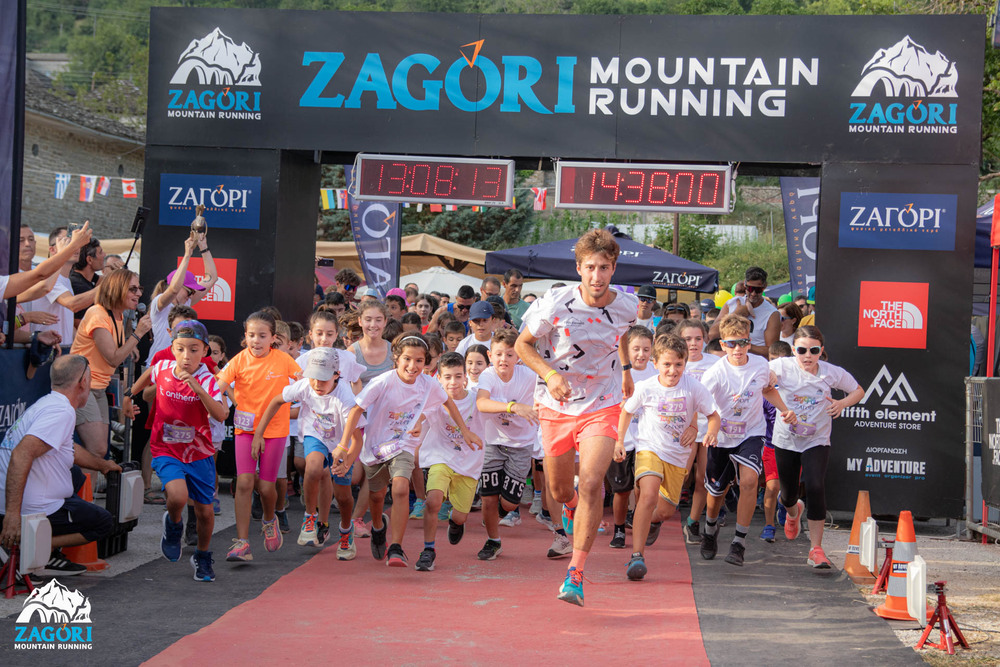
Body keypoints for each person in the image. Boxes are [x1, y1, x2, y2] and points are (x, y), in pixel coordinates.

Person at [515, 228, 638, 606]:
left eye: (604, 268)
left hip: (602, 403)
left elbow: (619, 333)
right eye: (590, 268)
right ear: (579, 269)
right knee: (560, 491)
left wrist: (628, 368)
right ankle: (569, 508)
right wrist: (550, 376)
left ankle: (576, 573)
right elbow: (523, 345)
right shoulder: (554, 303)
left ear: (613, 268)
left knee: (591, 481)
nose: (597, 276)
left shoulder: (627, 306)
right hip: (556, 406)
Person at [338, 333, 482, 568]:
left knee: (401, 487)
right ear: (396, 359)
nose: (412, 366)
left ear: (426, 363)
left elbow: (447, 402)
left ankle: (396, 547)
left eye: (419, 361)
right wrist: (344, 445)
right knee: (376, 495)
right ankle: (377, 527)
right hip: (375, 448)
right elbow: (355, 410)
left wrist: (465, 432)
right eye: (407, 359)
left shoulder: (429, 384)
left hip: (403, 444)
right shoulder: (383, 382)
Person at [0, 355, 120, 576]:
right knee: (103, 523)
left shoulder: (49, 402)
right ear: (83, 382)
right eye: (91, 378)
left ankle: (40, 550)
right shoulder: (60, 411)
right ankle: (28, 550)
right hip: (25, 510)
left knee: (74, 475)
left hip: (17, 500)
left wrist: (102, 465)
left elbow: (68, 449)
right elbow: (21, 454)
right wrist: (12, 515)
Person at [616, 335, 720, 580]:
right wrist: (619, 441)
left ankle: (652, 522)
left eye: (678, 364)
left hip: (677, 456)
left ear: (685, 363)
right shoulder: (647, 387)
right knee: (648, 494)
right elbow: (626, 412)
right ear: (655, 363)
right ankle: (636, 556)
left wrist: (709, 431)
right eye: (667, 364)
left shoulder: (693, 386)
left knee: (664, 511)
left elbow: (713, 415)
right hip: (649, 448)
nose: (673, 370)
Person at [128, 321, 226, 580]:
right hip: (166, 448)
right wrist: (128, 397)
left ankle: (202, 556)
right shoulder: (162, 367)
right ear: (172, 349)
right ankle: (173, 525)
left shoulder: (208, 379)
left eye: (194, 350)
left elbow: (221, 413)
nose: (186, 356)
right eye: (180, 349)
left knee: (205, 512)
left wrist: (197, 388)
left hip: (199, 454)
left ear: (204, 351)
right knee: (178, 497)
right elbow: (145, 378)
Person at [698, 314, 794, 567]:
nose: (737, 349)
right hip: (722, 435)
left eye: (742, 343)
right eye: (731, 344)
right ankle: (709, 529)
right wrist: (708, 429)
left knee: (750, 481)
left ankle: (739, 542)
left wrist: (784, 409)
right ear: (722, 345)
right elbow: (702, 404)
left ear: (750, 343)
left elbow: (767, 389)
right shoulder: (715, 373)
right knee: (717, 491)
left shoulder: (761, 365)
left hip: (752, 432)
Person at [769, 326, 864, 568]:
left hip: (817, 438)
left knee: (815, 485)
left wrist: (842, 403)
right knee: (788, 495)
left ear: (821, 351)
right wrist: (784, 410)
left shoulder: (831, 373)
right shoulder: (781, 367)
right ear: (793, 351)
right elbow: (765, 387)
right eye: (801, 350)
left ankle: (816, 549)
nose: (807, 356)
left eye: (813, 350)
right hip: (787, 438)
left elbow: (858, 391)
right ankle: (793, 512)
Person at [256, 347, 364, 557]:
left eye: (323, 379)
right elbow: (276, 401)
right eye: (313, 378)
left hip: (343, 444)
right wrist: (259, 433)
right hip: (315, 436)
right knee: (312, 468)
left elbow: (356, 440)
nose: (317, 384)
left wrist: (348, 461)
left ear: (336, 375)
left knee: (343, 496)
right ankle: (309, 519)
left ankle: (345, 531)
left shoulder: (346, 398)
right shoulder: (305, 386)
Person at [216, 311, 301, 562]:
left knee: (266, 487)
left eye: (262, 336)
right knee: (243, 483)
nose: (256, 340)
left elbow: (303, 382)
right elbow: (219, 385)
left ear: (273, 338)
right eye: (251, 335)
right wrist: (227, 399)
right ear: (245, 336)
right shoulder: (239, 360)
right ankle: (242, 543)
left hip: (274, 431)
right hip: (245, 429)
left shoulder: (283, 360)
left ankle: (268, 519)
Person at [70, 268, 152, 464]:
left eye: (139, 288)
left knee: (98, 451)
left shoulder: (118, 316)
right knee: (97, 448)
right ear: (117, 289)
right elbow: (113, 359)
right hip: (81, 387)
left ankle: (85, 495)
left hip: (99, 387)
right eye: (133, 289)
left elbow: (117, 357)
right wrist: (137, 335)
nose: (139, 294)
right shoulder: (97, 313)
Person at [415, 352, 486, 571]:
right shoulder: (435, 400)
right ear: (439, 378)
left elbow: (495, 407)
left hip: (469, 463)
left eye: (457, 376)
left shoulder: (476, 399)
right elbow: (422, 414)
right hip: (441, 457)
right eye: (447, 377)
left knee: (460, 516)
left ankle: (456, 523)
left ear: (466, 377)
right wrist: (416, 425)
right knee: (433, 501)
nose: (452, 382)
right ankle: (428, 550)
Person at [474, 329, 538, 559]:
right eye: (499, 354)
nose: (504, 359)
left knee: (510, 504)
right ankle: (493, 540)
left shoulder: (529, 376)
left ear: (518, 357)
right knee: (488, 497)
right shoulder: (488, 375)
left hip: (521, 444)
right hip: (492, 441)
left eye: (509, 355)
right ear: (490, 356)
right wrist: (513, 407)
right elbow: (482, 403)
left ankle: (499, 509)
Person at [607, 325, 656, 549]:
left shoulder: (656, 371)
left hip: (647, 441)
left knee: (642, 488)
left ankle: (638, 524)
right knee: (622, 490)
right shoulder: (616, 370)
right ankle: (618, 530)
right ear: (627, 349)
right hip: (621, 440)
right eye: (636, 349)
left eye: (646, 349)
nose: (641, 354)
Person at [678, 319, 720, 545]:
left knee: (704, 477)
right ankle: (656, 516)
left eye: (698, 339)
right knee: (680, 476)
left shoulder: (716, 362)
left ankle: (693, 522)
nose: (693, 344)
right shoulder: (672, 361)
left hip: (707, 427)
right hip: (679, 428)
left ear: (705, 339)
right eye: (687, 339)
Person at [149, 232, 218, 362]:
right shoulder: (159, 303)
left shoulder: (185, 303)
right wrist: (187, 254)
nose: (191, 295)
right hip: (158, 365)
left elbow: (212, 278)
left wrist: (203, 247)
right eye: (189, 291)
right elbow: (174, 289)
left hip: (179, 364)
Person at [23, 228, 99, 345]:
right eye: (68, 243)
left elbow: (66, 325)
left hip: (61, 351)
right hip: (46, 352)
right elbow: (73, 304)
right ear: (52, 249)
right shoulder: (49, 277)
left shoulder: (66, 280)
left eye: (76, 243)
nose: (75, 247)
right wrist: (107, 285)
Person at [5, 222, 93, 303]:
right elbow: (45, 287)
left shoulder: (40, 270)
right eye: (21, 240)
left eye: (31, 239)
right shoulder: (7, 275)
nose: (28, 244)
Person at [711, 267, 779, 358]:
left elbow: (772, 351)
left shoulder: (772, 314)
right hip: (731, 363)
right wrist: (735, 315)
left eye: (758, 290)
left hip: (755, 365)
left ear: (764, 287)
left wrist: (743, 344)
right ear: (745, 285)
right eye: (750, 289)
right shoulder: (732, 304)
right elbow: (712, 335)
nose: (754, 293)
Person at [69, 237, 105, 326]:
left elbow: (102, 279)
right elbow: (79, 323)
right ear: (89, 260)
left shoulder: (84, 277)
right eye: (100, 252)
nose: (104, 255)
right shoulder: (79, 286)